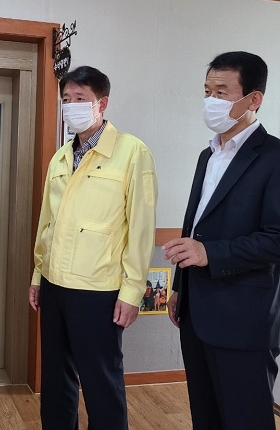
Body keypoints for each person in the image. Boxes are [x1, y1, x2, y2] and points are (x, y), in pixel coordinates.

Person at [29, 65, 157, 429]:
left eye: (80, 99)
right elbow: (47, 224)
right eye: (66, 99)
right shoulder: (60, 157)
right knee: (55, 378)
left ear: (102, 103)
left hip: (98, 289)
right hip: (55, 284)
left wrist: (132, 292)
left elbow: (141, 229)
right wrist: (38, 275)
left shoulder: (132, 152)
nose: (70, 106)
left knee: (101, 380)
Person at [163, 51, 280, 430]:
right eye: (207, 91)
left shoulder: (274, 157)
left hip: (244, 317)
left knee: (245, 419)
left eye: (222, 92)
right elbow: (195, 226)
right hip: (196, 310)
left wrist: (209, 253)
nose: (211, 101)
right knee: (206, 416)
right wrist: (179, 287)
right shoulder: (207, 155)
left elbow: (276, 239)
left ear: (253, 99)